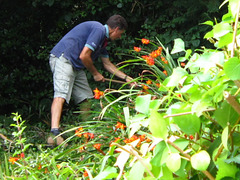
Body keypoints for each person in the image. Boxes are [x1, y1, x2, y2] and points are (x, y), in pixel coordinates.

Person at [48, 15, 134, 143]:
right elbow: (84, 56)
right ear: (115, 29)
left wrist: (128, 79)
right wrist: (95, 73)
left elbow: (107, 64)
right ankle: (54, 133)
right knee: (61, 94)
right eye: (120, 34)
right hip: (63, 58)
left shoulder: (102, 42)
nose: (119, 37)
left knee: (86, 99)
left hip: (76, 66)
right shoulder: (98, 29)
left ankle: (87, 133)